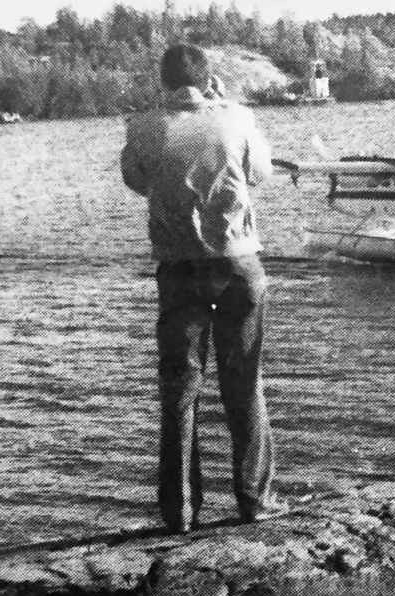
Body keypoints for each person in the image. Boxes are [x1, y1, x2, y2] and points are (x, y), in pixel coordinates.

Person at [121, 44, 284, 532]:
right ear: (210, 79)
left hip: (177, 269)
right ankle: (254, 502)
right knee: (244, 383)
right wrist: (223, 110)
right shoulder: (236, 118)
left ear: (164, 82)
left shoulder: (143, 125)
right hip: (236, 263)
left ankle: (180, 513)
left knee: (179, 389)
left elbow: (136, 179)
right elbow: (260, 174)